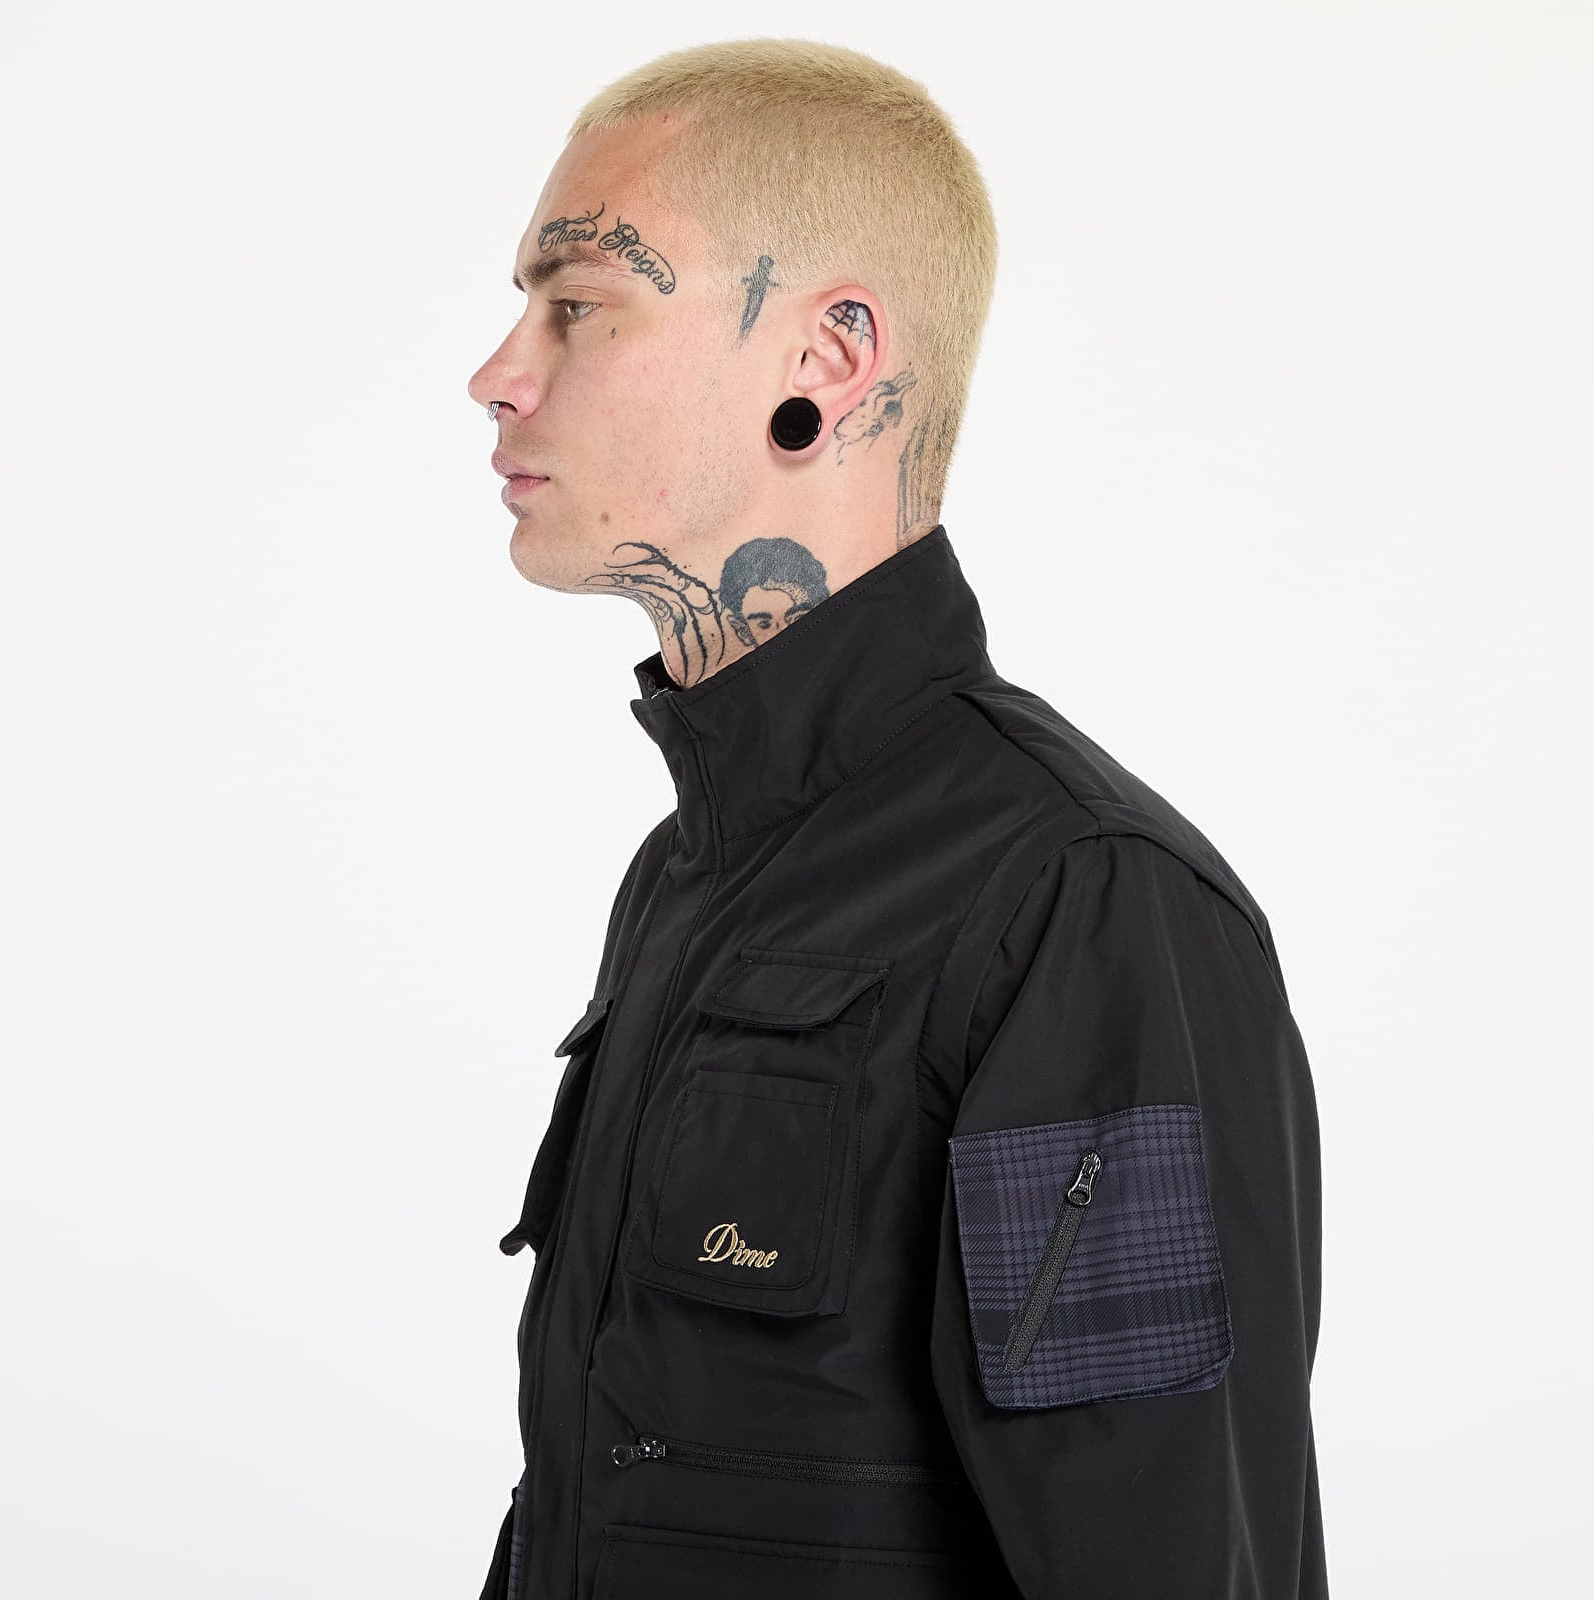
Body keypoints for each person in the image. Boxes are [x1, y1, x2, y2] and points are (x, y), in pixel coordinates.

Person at [466, 37, 1327, 1600]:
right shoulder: (689, 874)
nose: (500, 373)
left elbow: (1165, 1559)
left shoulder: (1077, 903)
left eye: (576, 304)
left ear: (827, 356)